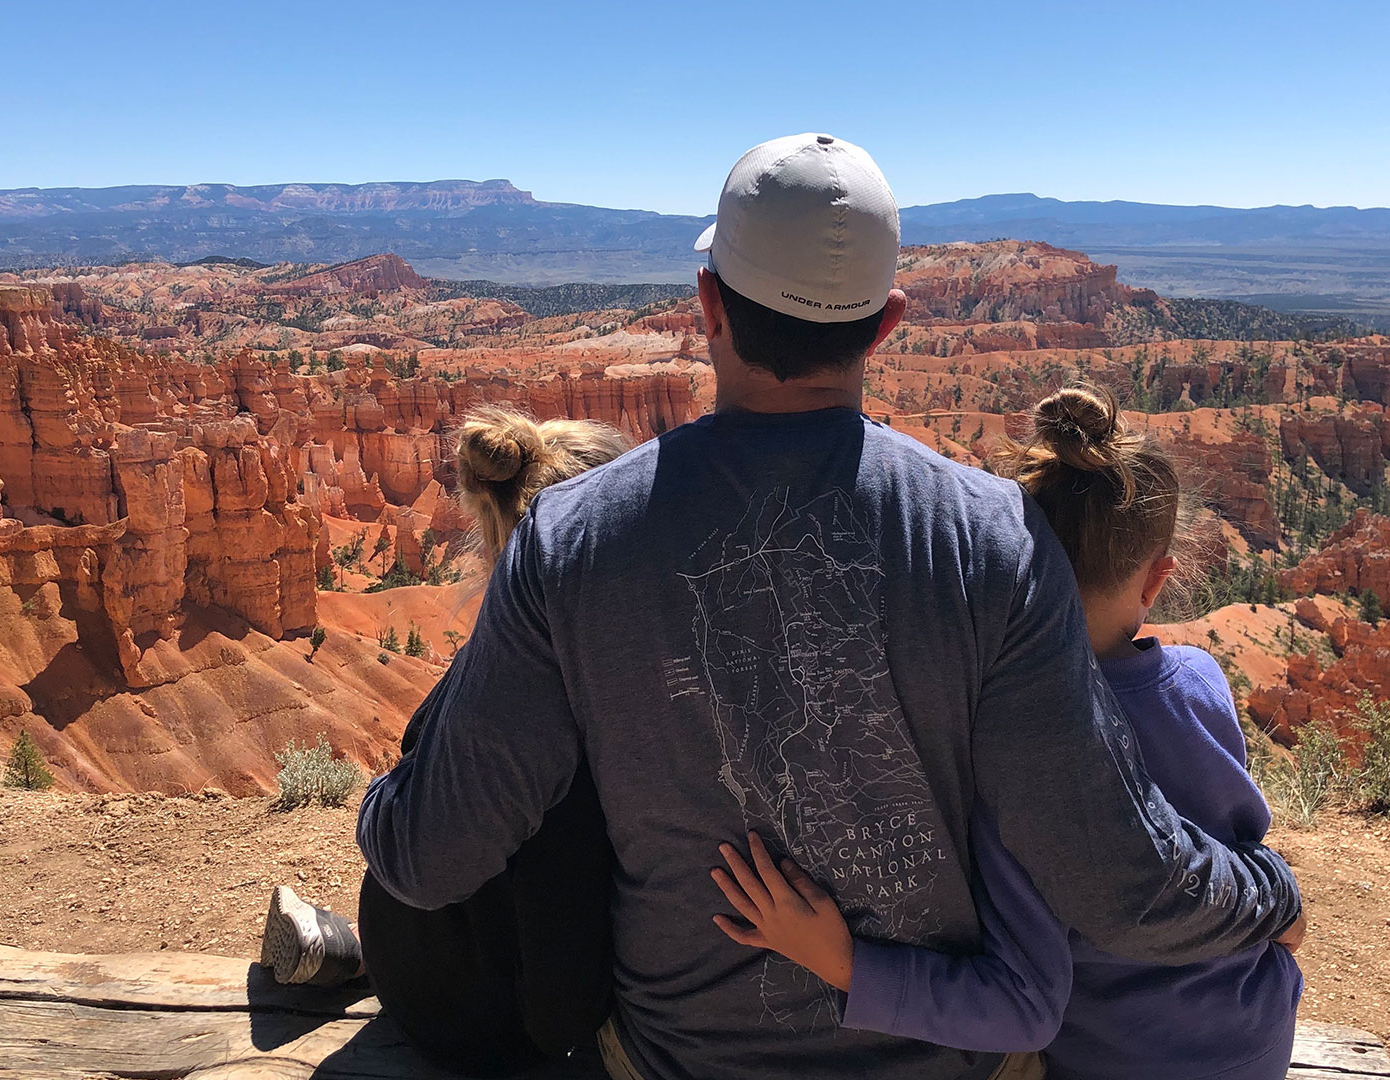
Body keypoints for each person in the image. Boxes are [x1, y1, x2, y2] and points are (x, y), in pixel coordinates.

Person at [358, 133, 1303, 1080]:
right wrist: (1267, 891)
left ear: (709, 306)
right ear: (887, 323)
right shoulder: (995, 540)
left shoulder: (567, 538)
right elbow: (1118, 883)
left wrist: (377, 801)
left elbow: (429, 856)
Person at [710, 385, 1304, 1080]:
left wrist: (847, 966)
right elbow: (1241, 841)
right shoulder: (1200, 679)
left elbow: (1026, 1007)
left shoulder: (1013, 736)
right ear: (1157, 579)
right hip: (1257, 1031)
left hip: (1124, 1061)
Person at [261, 405, 632, 1076]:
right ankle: (356, 953)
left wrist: (387, 795)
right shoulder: (618, 673)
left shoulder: (497, 671)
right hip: (519, 1006)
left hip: (458, 979)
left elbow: (426, 854)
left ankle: (347, 950)